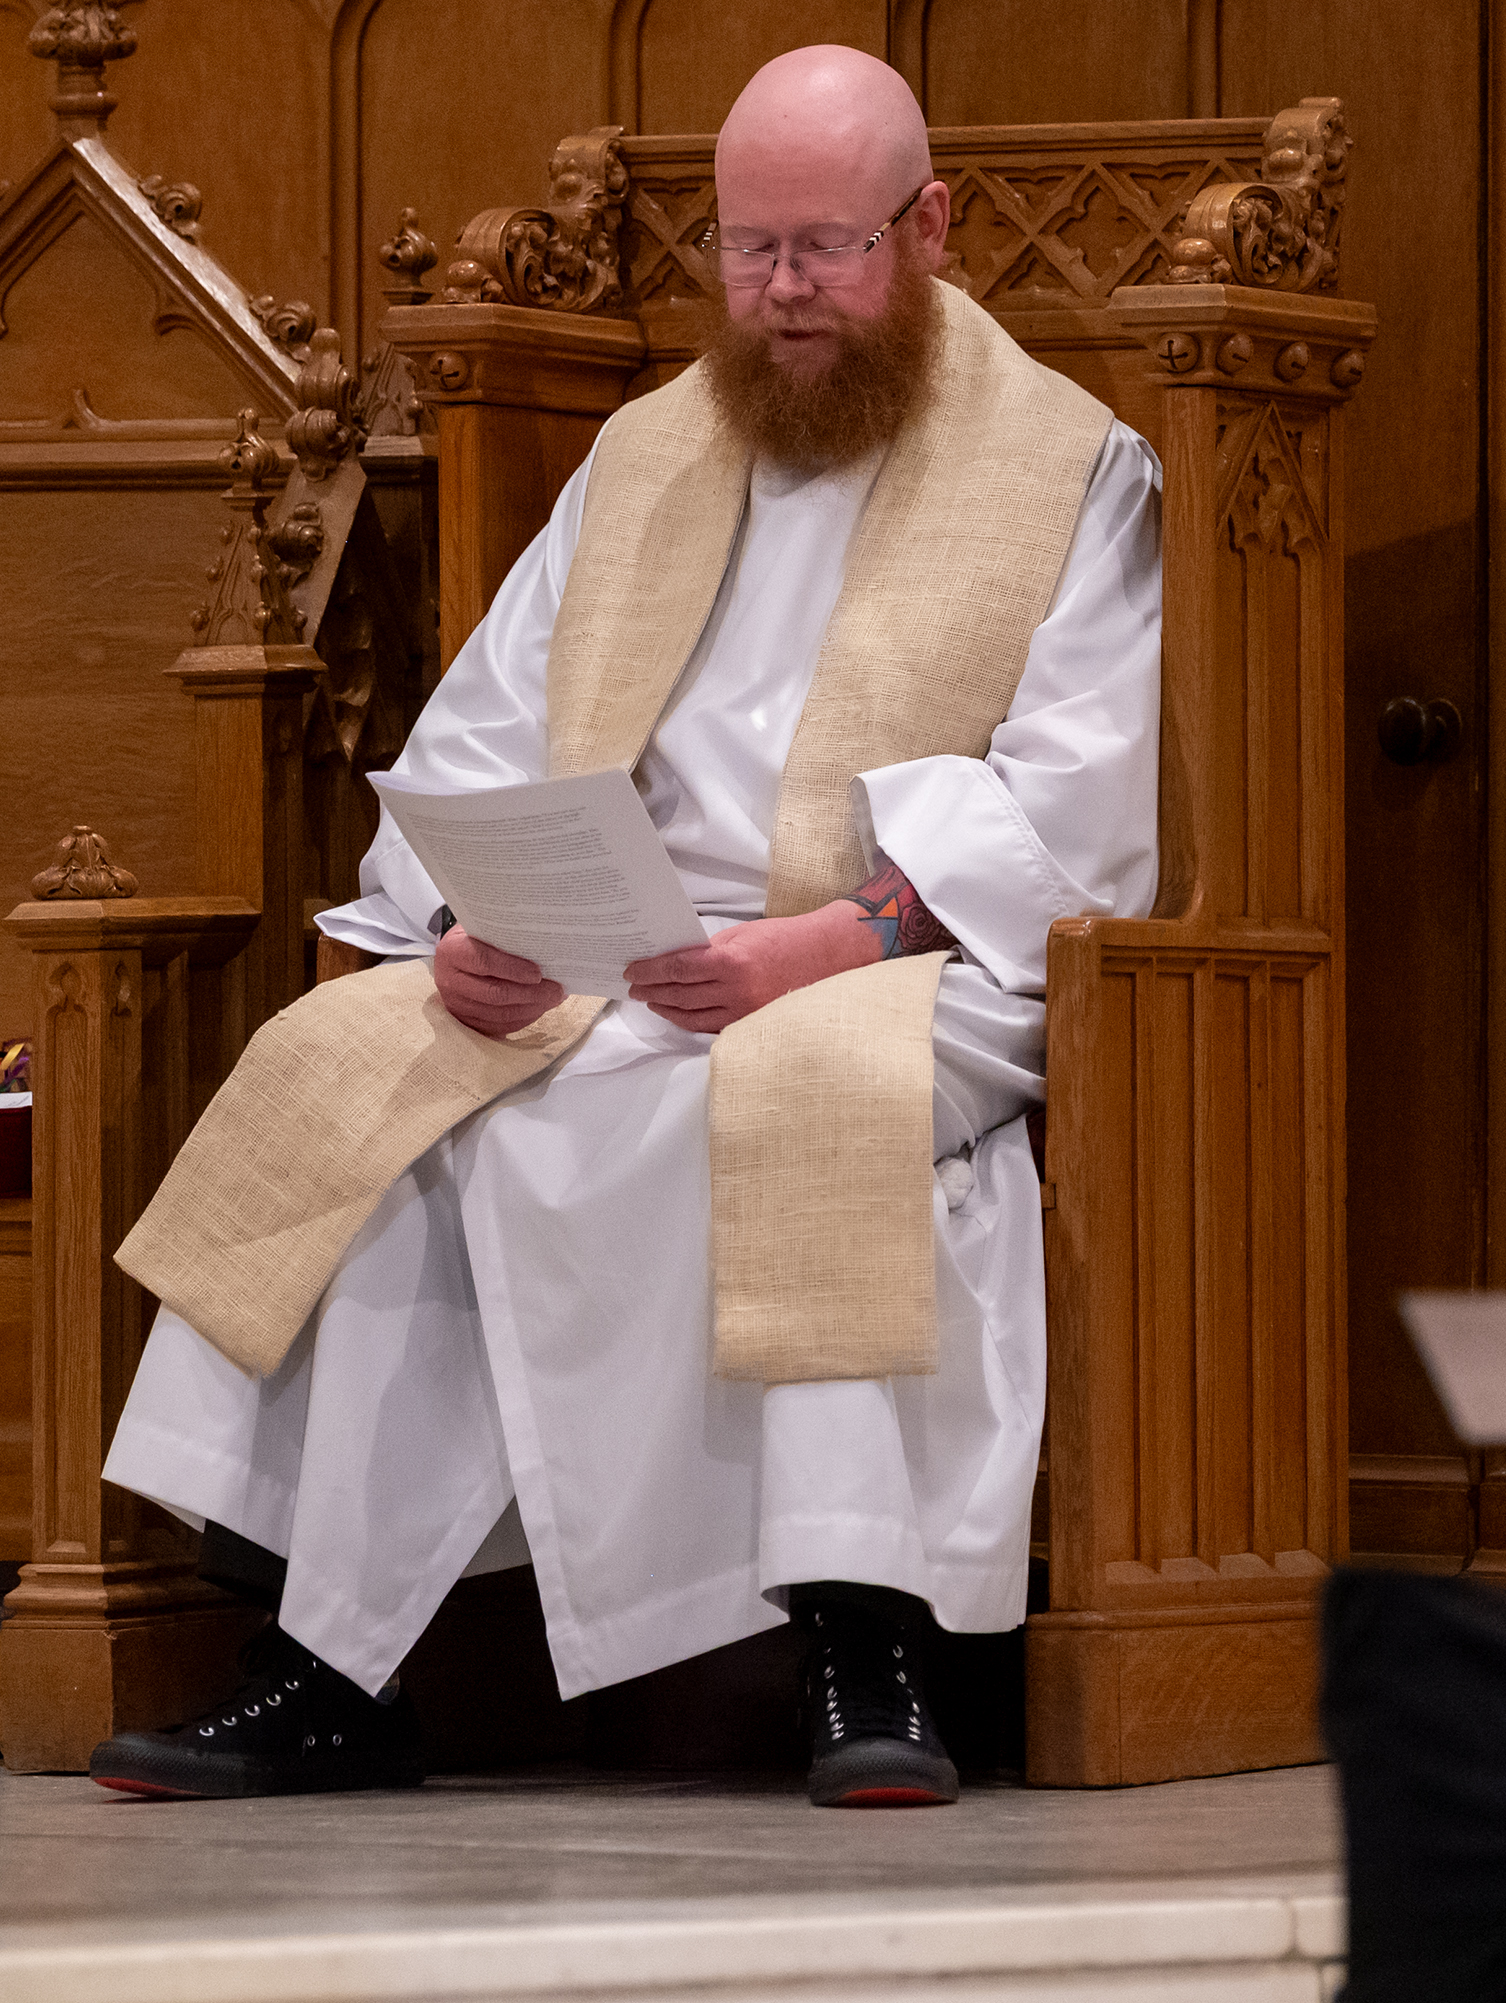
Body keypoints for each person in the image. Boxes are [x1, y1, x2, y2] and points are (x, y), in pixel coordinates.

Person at [88, 43, 1161, 1809]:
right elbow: (491, 736)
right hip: (623, 959)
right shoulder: (650, 452)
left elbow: (1076, 807)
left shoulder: (1069, 466)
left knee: (794, 1097)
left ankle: (862, 1642)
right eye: (751, 249)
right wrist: (465, 925)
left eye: (829, 246)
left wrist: (813, 946)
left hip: (909, 963)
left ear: (932, 227)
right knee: (378, 1079)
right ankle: (331, 1661)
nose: (787, 292)